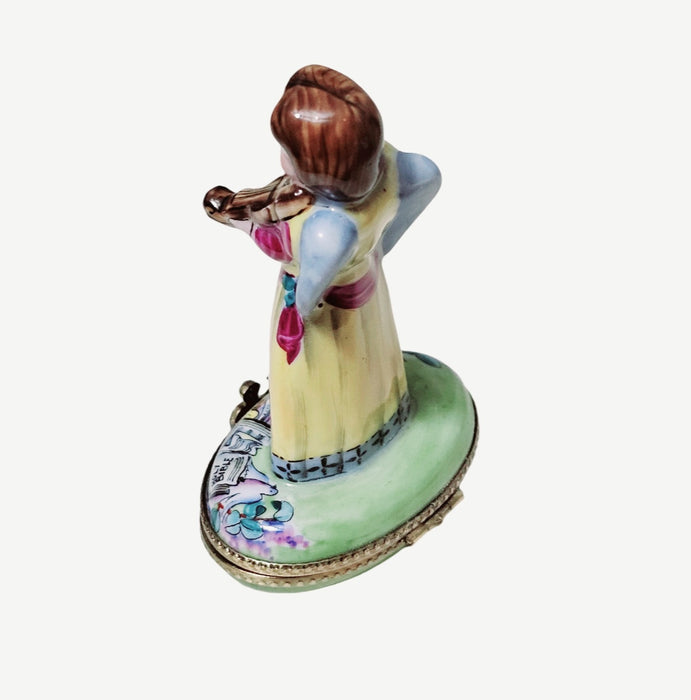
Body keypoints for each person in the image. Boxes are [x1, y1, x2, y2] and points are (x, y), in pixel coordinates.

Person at [204, 65, 441, 482]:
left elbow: (308, 298)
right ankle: (383, 420)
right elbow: (429, 179)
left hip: (328, 320)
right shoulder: (392, 166)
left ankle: (322, 459)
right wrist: (381, 246)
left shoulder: (325, 227)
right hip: (367, 295)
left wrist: (300, 305)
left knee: (324, 389)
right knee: (373, 363)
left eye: (287, 152)